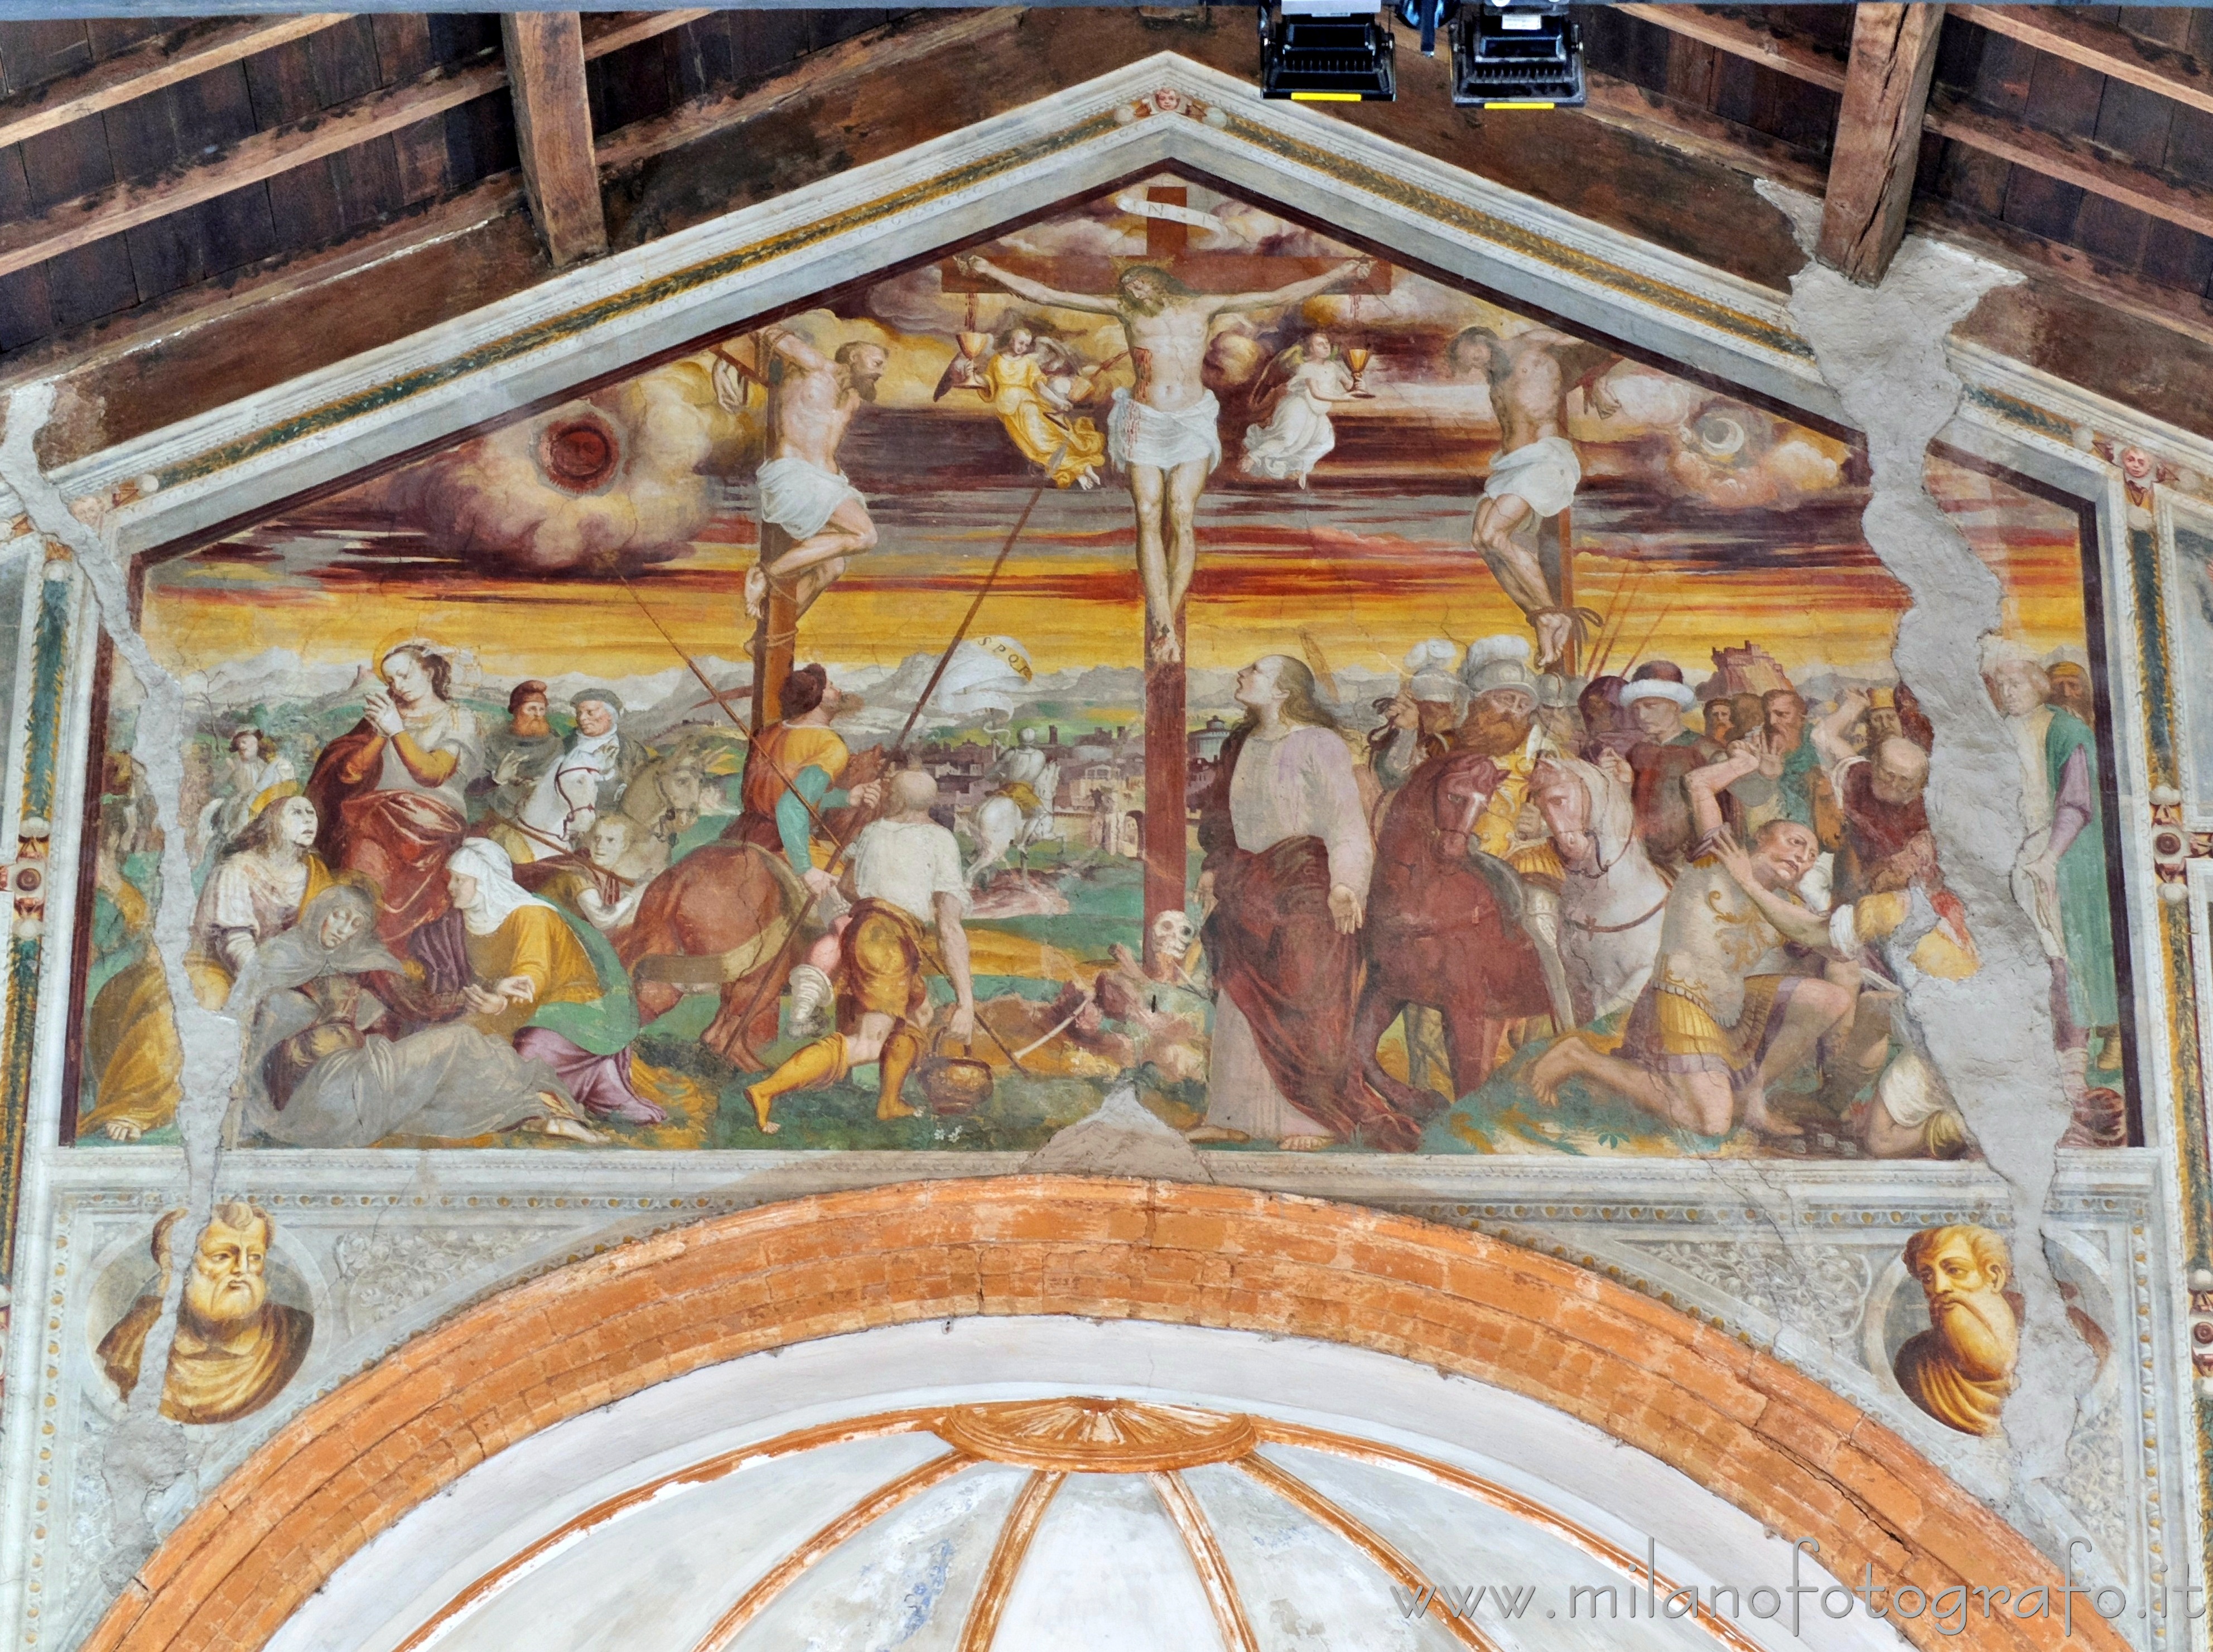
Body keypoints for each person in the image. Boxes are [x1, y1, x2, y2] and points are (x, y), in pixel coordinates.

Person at [960, 252, 1373, 663]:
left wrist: (1341, 271)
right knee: (1147, 509)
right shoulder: (1124, 310)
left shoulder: (1203, 306)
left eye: (1139, 283)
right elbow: (1047, 293)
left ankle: (1167, 619)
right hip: (1143, 419)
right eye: (1128, 288)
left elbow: (1281, 291)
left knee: (1180, 513)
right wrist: (989, 269)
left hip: (1192, 420)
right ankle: (1161, 620)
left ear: (1160, 281)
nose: (1133, 291)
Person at [1527, 741, 1853, 1140]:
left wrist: (1779, 892)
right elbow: (1696, 784)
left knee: (1833, 998)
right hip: (1677, 999)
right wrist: (1743, 763)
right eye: (1794, 841)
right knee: (1711, 1123)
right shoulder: (1718, 854)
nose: (1802, 856)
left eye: (1810, 855)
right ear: (1761, 838)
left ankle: (1753, 1096)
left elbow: (1836, 946)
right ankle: (1580, 1057)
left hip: (1729, 1006)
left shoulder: (1782, 903)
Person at [1188, 655, 1391, 1152]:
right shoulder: (1240, 743)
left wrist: (1345, 884)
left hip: (1306, 882)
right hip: (1249, 882)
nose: (1241, 673)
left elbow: (1345, 820)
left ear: (1282, 691)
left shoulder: (1318, 744)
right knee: (1239, 997)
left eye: (1252, 670)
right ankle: (1232, 1114)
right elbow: (1220, 814)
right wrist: (1214, 867)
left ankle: (1312, 1119)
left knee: (1307, 997)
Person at [227, 883, 605, 1146]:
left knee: (462, 1050)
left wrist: (492, 991)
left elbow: (419, 1006)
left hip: (356, 1084)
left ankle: (540, 1115)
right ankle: (539, 1112)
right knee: (460, 1042)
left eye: (355, 925)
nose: (343, 930)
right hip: (320, 1091)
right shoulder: (279, 959)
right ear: (319, 913)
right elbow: (248, 1036)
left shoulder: (368, 963)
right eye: (338, 916)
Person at [742, 769, 975, 1133]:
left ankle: (889, 1102)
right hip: (886, 942)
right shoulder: (940, 839)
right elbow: (949, 925)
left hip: (869, 932)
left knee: (919, 1016)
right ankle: (766, 1090)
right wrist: (967, 1002)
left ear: (893, 799)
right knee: (868, 1044)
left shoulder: (872, 830)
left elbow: (850, 885)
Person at [1354, 748, 1552, 1133]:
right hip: (1451, 859)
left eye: (1515, 702)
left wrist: (1536, 823)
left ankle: (1558, 986)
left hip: (1522, 857)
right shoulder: (1436, 771)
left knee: (1541, 914)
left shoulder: (1535, 757)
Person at [445, 839, 666, 1125]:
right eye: (452, 878)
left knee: (527, 1059)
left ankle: (597, 1077)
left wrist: (503, 997)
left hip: (572, 1009)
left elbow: (533, 970)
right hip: (514, 1010)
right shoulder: (469, 921)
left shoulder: (531, 914)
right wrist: (495, 998)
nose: (450, 886)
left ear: (485, 882)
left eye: (459, 880)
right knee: (457, 1049)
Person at [304, 642, 481, 991]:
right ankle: (355, 969)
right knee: (359, 869)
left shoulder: (458, 717)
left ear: (429, 671)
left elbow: (432, 774)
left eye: (405, 674)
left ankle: (400, 969)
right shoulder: (385, 715)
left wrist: (396, 729)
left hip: (433, 822)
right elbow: (351, 774)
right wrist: (381, 734)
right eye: (391, 679)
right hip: (375, 818)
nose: (398, 685)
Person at [1984, 643, 2119, 1092]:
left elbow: (2076, 802)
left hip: (2056, 857)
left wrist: (2049, 858)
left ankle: (2072, 1064)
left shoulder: (2064, 729)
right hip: (2007, 856)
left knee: (2061, 958)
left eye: (2016, 681)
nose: (2008, 690)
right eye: (2001, 684)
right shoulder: (1996, 731)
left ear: (2037, 684)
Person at [1448, 324, 1622, 668]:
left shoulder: (1530, 343)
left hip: (1544, 459)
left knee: (1496, 535)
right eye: (1471, 365)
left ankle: (1553, 615)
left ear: (1482, 339)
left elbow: (1606, 339)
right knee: (1482, 540)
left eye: (1476, 357)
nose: (1478, 366)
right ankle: (1540, 614)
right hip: (1510, 466)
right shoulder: (1495, 374)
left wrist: (1596, 380)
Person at [97, 1203, 312, 1425]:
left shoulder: (293, 1334)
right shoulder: (134, 1336)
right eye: (222, 1256)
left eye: (256, 1257)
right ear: (177, 1267)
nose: (243, 1268)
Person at [746, 329, 888, 622]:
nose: (881, 373)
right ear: (853, 358)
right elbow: (768, 331)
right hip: (793, 477)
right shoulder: (814, 367)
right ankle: (765, 572)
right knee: (865, 536)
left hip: (827, 486)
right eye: (876, 364)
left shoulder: (852, 400)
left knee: (832, 568)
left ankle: (769, 630)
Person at [732, 664, 881, 899]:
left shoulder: (770, 733)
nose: (839, 690)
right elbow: (791, 806)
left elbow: (783, 795)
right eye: (830, 687)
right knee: (853, 892)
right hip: (782, 844)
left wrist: (845, 797)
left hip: (742, 833)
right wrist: (806, 870)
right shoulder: (829, 746)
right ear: (815, 697)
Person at [185, 793, 334, 1008]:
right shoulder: (236, 870)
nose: (308, 819)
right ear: (272, 821)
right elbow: (235, 945)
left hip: (288, 973)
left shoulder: (314, 872)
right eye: (297, 812)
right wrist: (272, 984)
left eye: (310, 812)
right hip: (225, 969)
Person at [1894, 1225, 2018, 1436]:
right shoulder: (1915, 1363)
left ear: (1994, 1277)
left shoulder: (2050, 1350)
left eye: (1955, 1270)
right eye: (1927, 1277)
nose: (1939, 1287)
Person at [498, 688, 643, 863]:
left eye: (590, 713)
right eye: (579, 713)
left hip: (610, 837)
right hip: (558, 831)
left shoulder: (632, 752)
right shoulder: (562, 746)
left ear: (610, 715)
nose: (582, 718)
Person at [980, 324, 1106, 489]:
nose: (1023, 348)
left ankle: (1081, 468)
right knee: (1033, 450)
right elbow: (988, 382)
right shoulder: (997, 360)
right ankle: (1079, 470)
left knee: (1045, 441)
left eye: (1026, 345)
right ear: (1011, 341)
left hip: (1028, 408)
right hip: (1009, 413)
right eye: (1020, 343)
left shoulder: (1028, 363)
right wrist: (970, 378)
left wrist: (1058, 402)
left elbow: (1040, 387)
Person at [1240, 329, 1357, 488]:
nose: (1326, 347)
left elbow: (1351, 386)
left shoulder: (1334, 367)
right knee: (1287, 439)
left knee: (1326, 442)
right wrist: (1343, 398)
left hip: (1316, 411)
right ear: (1311, 349)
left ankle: (1300, 467)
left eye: (1327, 344)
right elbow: (1316, 393)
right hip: (1297, 408)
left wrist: (1358, 383)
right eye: (1320, 344)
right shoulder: (1307, 368)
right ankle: (1253, 456)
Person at [1619, 675, 1713, 872]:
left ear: (1676, 707)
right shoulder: (1636, 753)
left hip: (1693, 862)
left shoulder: (1706, 749)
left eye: (1650, 706)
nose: (1642, 716)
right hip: (1642, 859)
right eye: (1637, 709)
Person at [195, 728, 296, 863]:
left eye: (244, 742)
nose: (241, 746)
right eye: (238, 744)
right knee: (240, 818)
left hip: (260, 799)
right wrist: (227, 772)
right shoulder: (235, 763)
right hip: (241, 800)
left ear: (257, 743)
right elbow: (218, 784)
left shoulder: (265, 765)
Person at [469, 681, 562, 825]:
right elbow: (471, 787)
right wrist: (496, 779)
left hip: (542, 822)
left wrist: (545, 784)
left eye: (542, 709)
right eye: (531, 709)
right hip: (496, 818)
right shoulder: (494, 740)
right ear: (518, 710)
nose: (538, 714)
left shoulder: (555, 744)